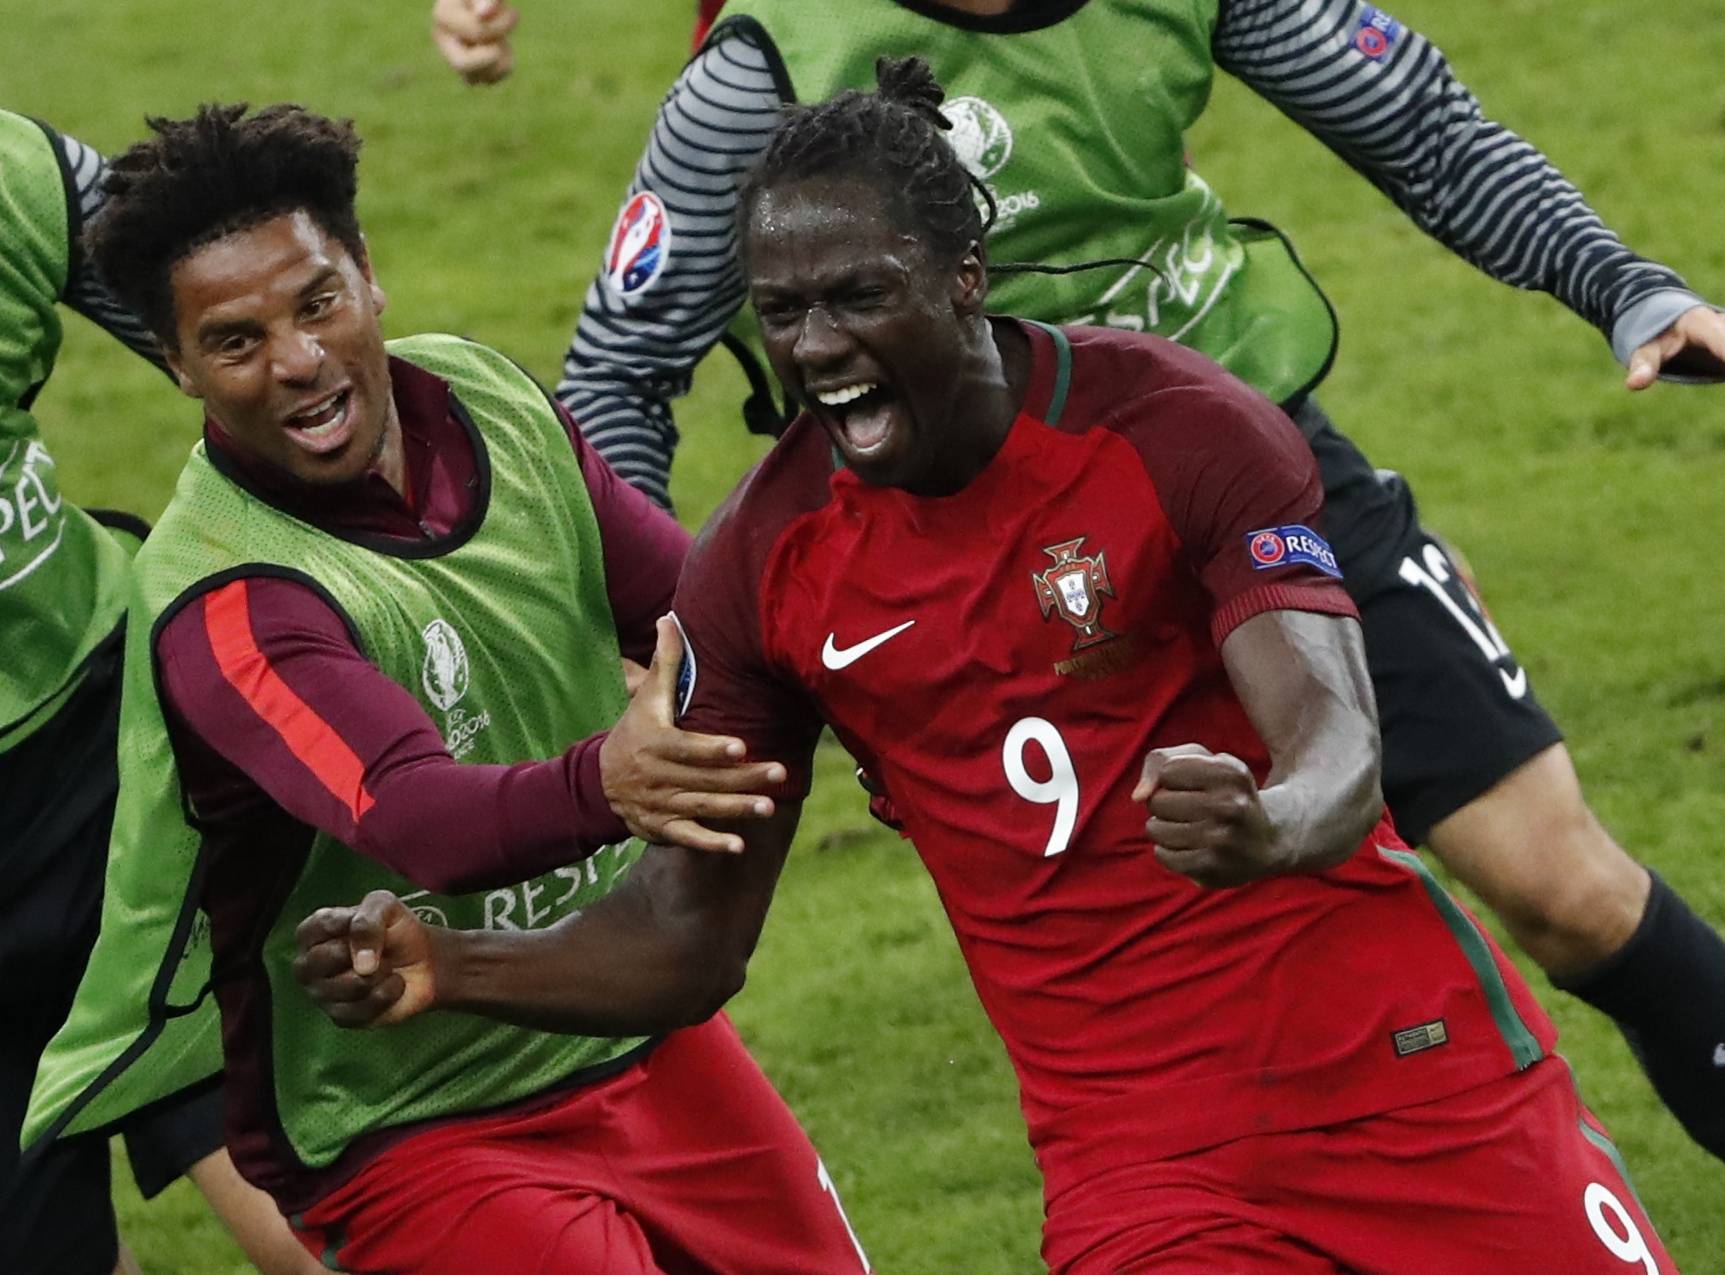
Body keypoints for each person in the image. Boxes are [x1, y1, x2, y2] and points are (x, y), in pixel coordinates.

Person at [294, 65, 1679, 1273]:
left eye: (856, 298)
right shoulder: (762, 566)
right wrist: (452, 959)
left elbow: (1335, 737)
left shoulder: (1183, 430)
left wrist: (1271, 818)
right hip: (1144, 1168)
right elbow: (685, 934)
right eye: (781, 312)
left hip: (1407, 1076)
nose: (817, 348)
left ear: (965, 277)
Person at [21, 102, 869, 1274]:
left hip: (614, 1008)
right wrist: (610, 781)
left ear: (369, 276)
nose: (299, 360)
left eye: (317, 302)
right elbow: (415, 819)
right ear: (174, 364)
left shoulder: (484, 397)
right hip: (404, 1119)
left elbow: (691, 613)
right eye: (236, 340)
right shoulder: (227, 598)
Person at [0, 107, 323, 1275]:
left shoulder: (14, 174)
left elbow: (217, 316)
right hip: (96, 726)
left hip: (109, 760)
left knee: (271, 1146)